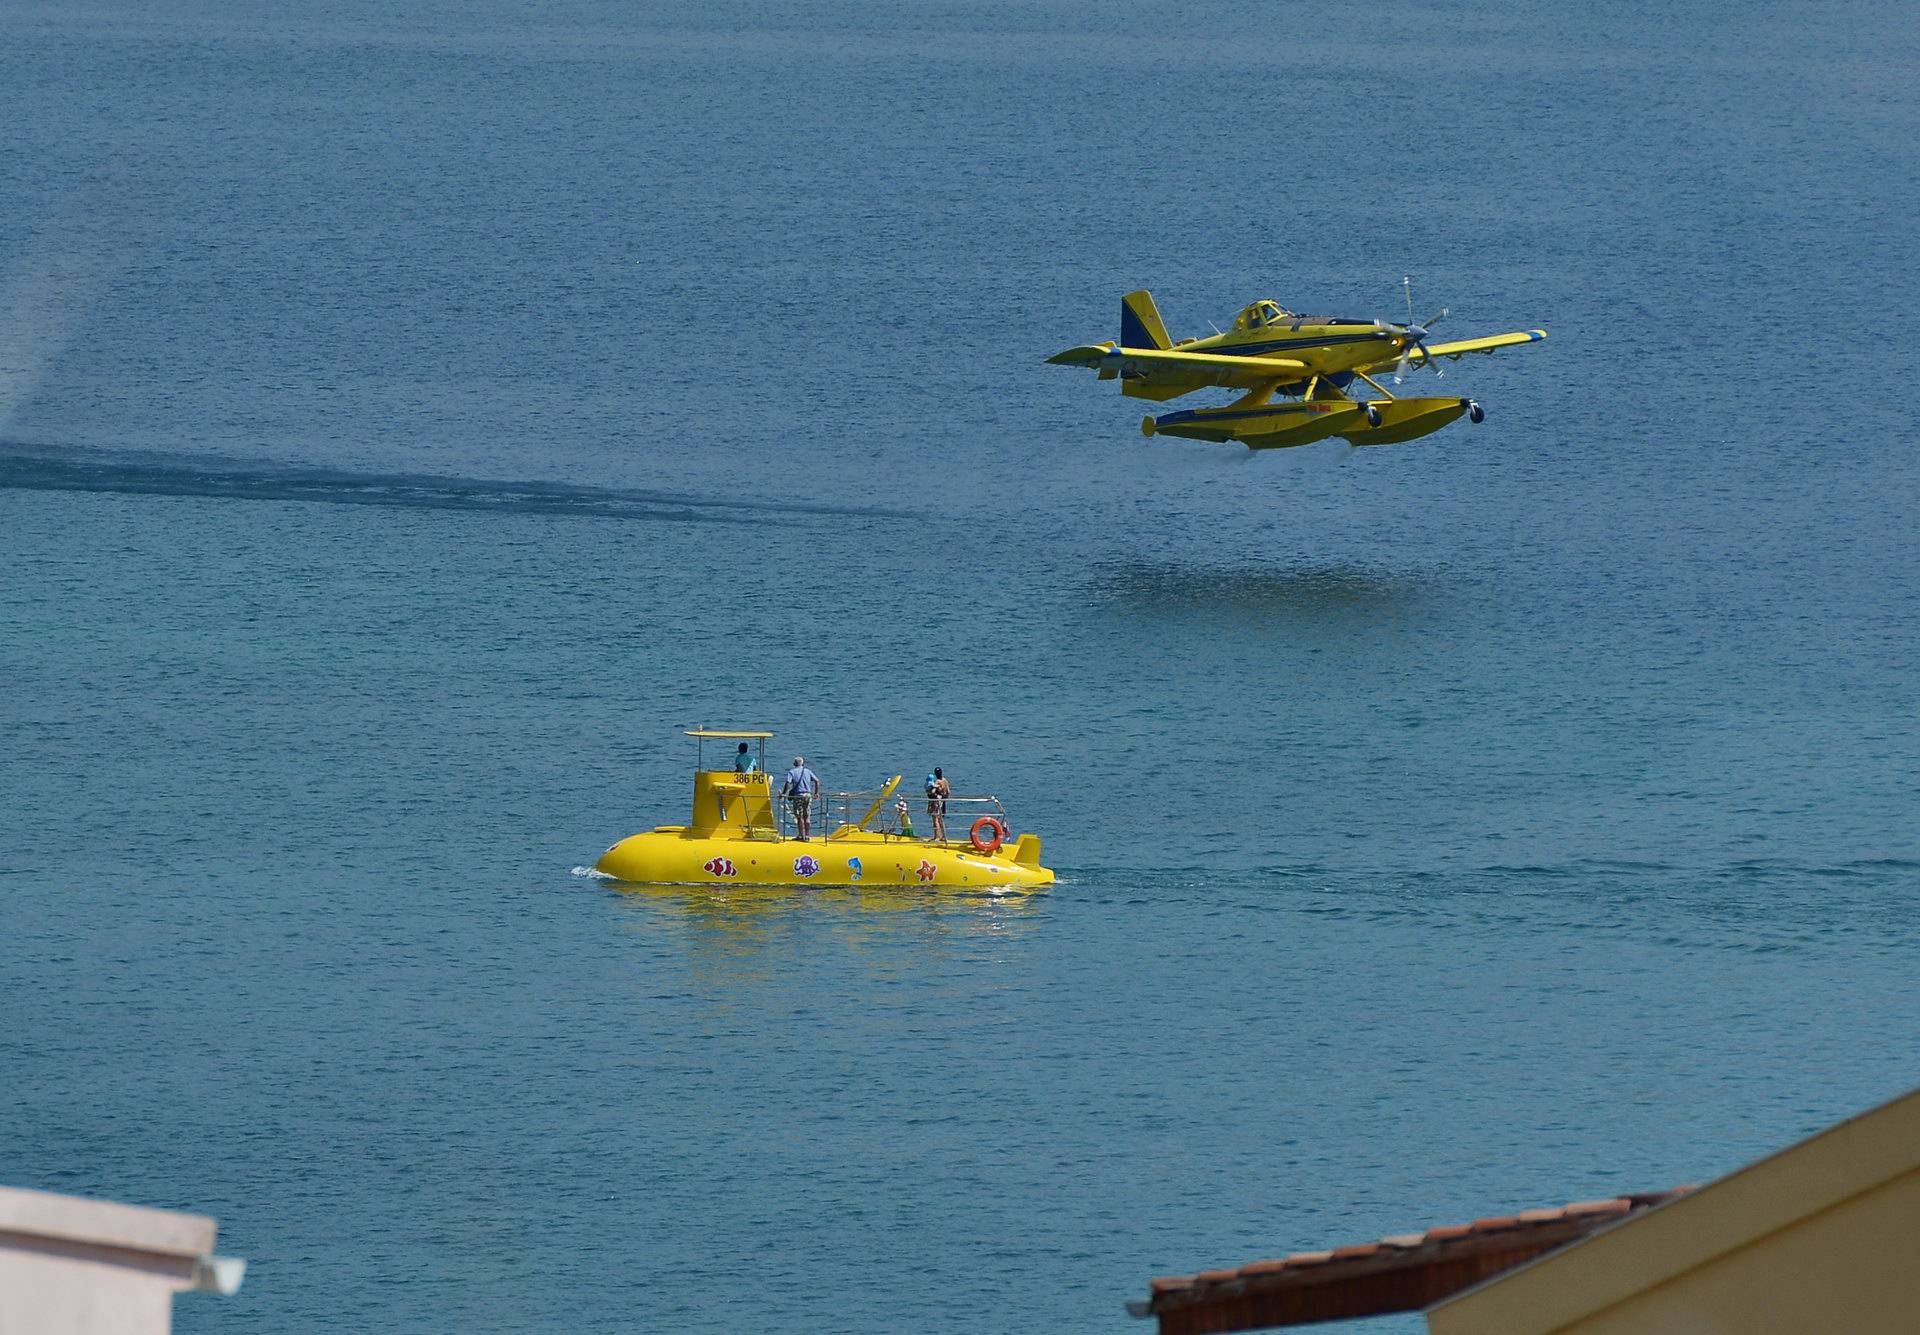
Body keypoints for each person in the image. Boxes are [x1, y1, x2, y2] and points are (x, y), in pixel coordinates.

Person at [782, 756, 820, 840]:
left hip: (798, 795)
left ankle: (801, 835)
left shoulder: (792, 772)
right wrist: (816, 793)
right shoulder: (807, 771)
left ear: (794, 763)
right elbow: (817, 781)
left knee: (799, 816)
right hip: (808, 795)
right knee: (807, 816)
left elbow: (788, 783)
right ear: (802, 763)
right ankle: (807, 835)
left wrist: (784, 793)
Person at [925, 766, 950, 843]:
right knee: (941, 819)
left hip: (936, 801)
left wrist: (929, 789)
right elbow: (948, 792)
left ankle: (936, 837)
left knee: (935, 819)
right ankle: (943, 836)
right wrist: (944, 798)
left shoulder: (937, 782)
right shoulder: (945, 780)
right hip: (942, 800)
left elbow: (932, 792)